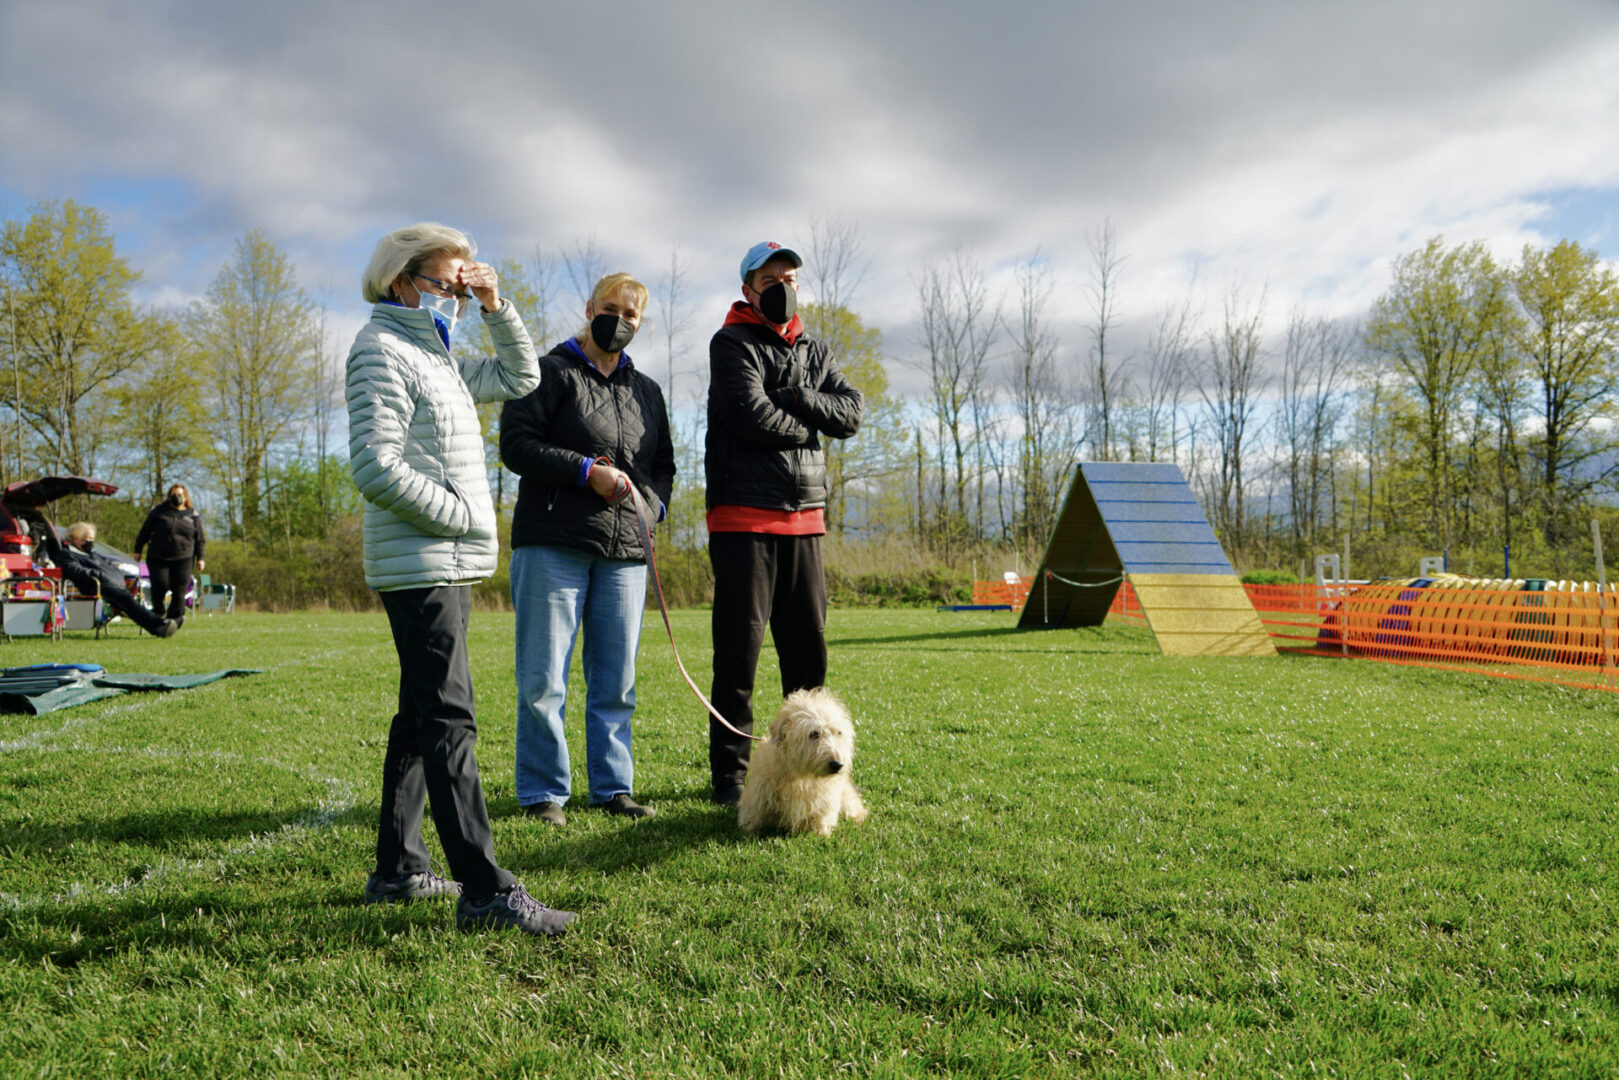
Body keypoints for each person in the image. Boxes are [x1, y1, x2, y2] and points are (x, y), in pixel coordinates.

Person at [347, 222, 574, 937]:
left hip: (441, 558)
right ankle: (485, 891)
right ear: (399, 282)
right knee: (450, 718)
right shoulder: (381, 350)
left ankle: (399, 869)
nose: (452, 297)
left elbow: (520, 377)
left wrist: (494, 305)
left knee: (420, 714)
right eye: (444, 285)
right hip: (423, 561)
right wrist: (461, 517)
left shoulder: (435, 355)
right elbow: (375, 464)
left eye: (457, 286)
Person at [500, 273, 676, 826]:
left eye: (632, 315)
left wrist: (653, 509)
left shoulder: (646, 390)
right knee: (543, 678)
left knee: (615, 680)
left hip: (625, 552)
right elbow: (516, 444)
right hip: (553, 542)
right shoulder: (547, 372)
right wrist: (583, 472)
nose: (619, 320)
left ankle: (612, 788)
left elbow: (663, 466)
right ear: (589, 307)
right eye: (610, 308)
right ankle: (543, 793)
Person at [704, 242, 864, 806]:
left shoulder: (813, 348)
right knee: (738, 654)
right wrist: (808, 416)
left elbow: (852, 412)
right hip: (742, 518)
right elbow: (749, 415)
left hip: (806, 521)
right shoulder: (730, 343)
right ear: (749, 286)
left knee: (809, 658)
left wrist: (795, 395)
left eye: (790, 276)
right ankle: (730, 776)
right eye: (771, 277)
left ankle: (816, 769)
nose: (783, 286)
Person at [41, 522, 177, 637]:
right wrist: (97, 573)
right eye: (87, 539)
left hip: (111, 582)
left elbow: (109, 564)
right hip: (95, 586)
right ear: (76, 538)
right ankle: (159, 625)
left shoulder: (93, 554)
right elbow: (74, 570)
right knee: (128, 602)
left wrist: (116, 572)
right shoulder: (67, 554)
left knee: (130, 601)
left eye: (92, 539)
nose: (91, 542)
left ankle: (159, 625)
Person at [133, 482, 206, 623]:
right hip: (158, 557)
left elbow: (200, 539)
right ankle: (158, 610)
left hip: (184, 558)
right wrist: (138, 549)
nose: (176, 497)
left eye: (179, 495)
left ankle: (173, 620)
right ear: (169, 496)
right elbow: (145, 531)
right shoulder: (159, 512)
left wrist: (201, 558)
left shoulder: (193, 515)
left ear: (185, 498)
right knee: (161, 585)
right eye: (174, 495)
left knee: (180, 590)